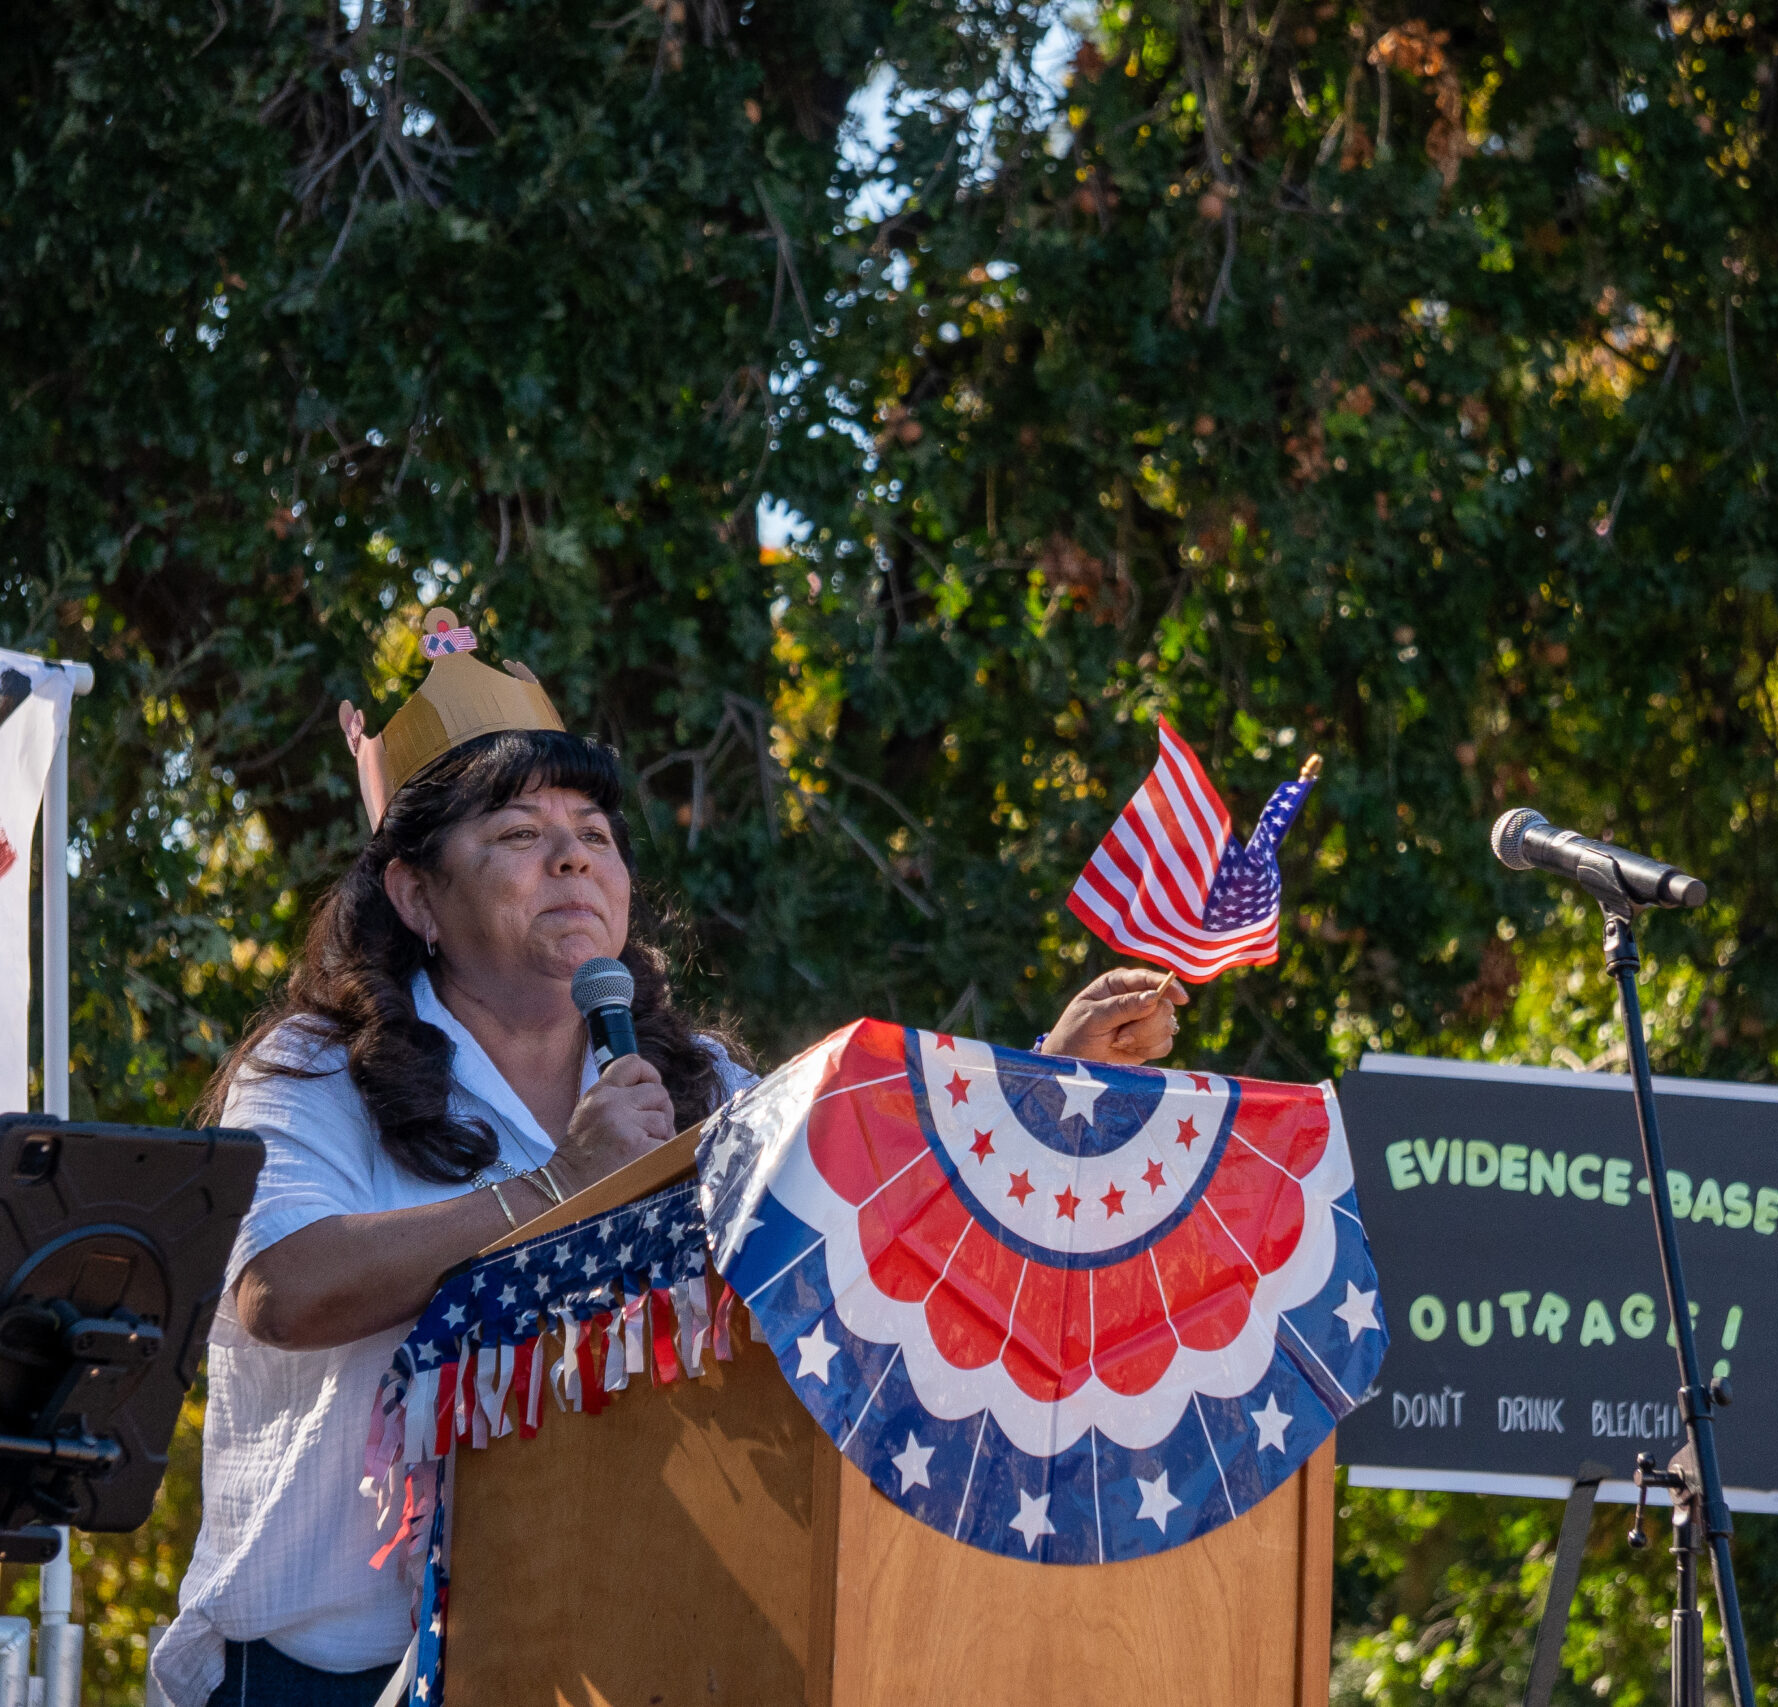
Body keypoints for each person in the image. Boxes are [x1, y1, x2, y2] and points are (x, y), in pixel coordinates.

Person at [149, 612, 1186, 1707]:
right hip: (316, 1677)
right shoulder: (314, 1069)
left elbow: (865, 1222)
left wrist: (1041, 1089)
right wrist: (560, 1187)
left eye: (595, 834)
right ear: (416, 897)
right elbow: (282, 1289)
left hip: (582, 1660)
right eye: (516, 832)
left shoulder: (700, 1083)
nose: (571, 857)